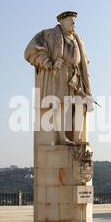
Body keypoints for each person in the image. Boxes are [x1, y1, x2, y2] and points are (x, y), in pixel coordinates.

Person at [25, 11, 94, 145]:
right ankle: (62, 138)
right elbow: (31, 50)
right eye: (70, 20)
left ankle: (77, 137)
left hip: (76, 77)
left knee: (82, 105)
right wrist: (48, 63)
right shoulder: (48, 35)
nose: (74, 23)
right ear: (61, 22)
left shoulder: (78, 39)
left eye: (74, 20)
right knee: (63, 105)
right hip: (61, 74)